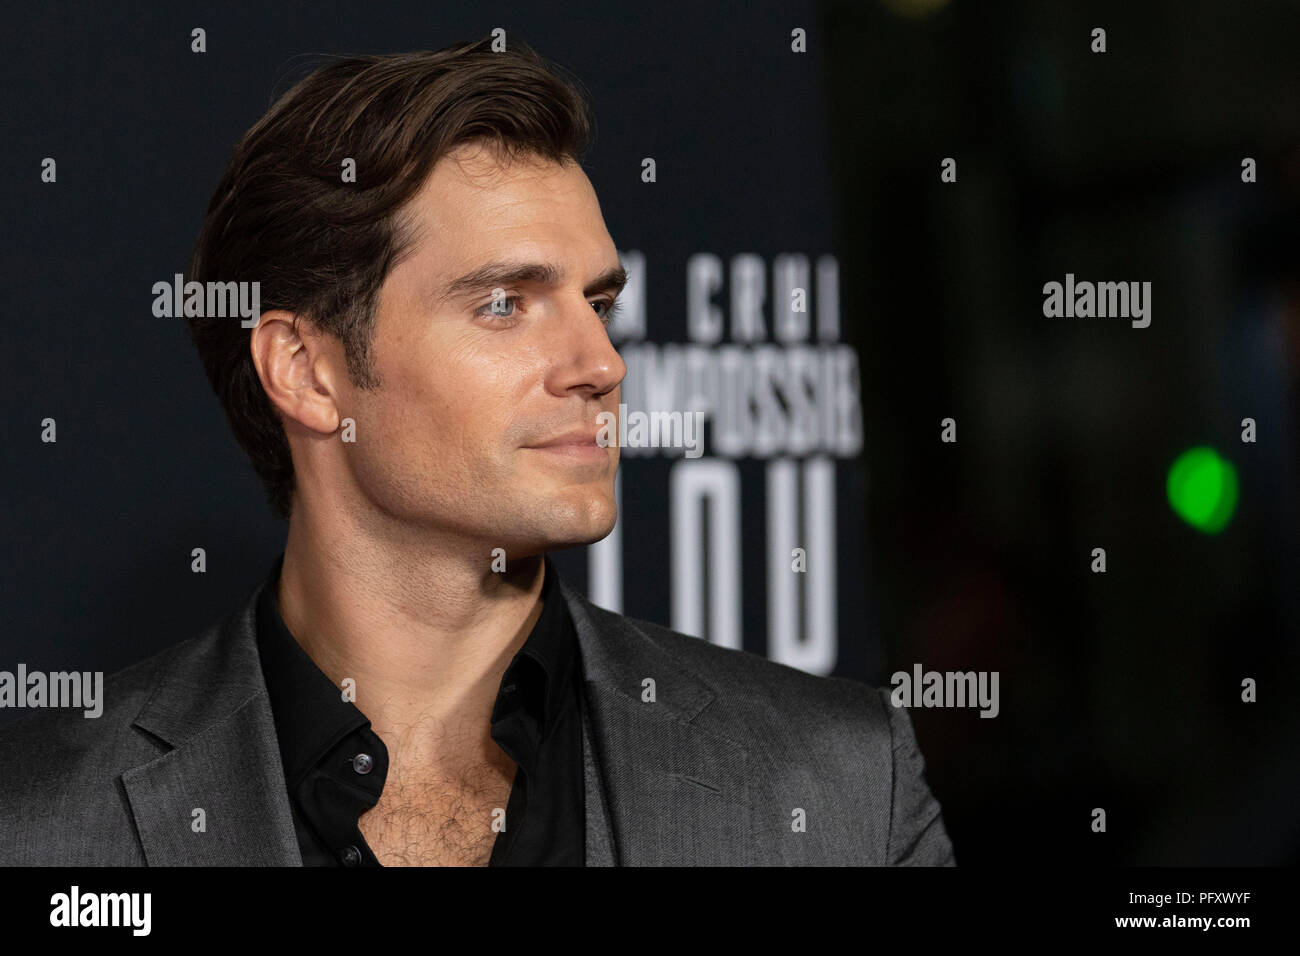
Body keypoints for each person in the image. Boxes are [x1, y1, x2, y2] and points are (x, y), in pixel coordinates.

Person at [0, 37, 954, 866]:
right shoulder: (39, 826)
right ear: (305, 370)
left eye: (600, 303)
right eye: (504, 303)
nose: (602, 362)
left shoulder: (839, 789)